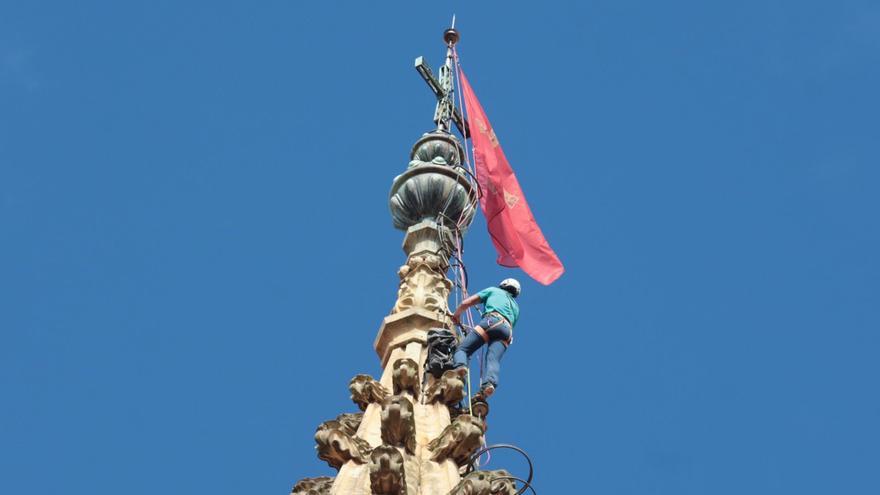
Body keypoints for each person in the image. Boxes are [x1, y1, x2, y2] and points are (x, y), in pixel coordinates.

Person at [450, 278, 521, 398]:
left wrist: (456, 315)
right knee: (493, 359)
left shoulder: (493, 290)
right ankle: (489, 385)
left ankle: (460, 366)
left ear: (503, 284)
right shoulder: (516, 307)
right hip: (507, 332)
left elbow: (466, 303)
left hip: (492, 321)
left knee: (462, 349)